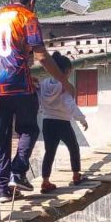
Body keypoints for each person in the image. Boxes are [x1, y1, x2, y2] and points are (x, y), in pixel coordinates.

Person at [0, 0, 75, 203]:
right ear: (31, 2)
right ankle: (18, 171)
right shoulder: (27, 16)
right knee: (29, 128)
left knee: (1, 135)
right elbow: (41, 56)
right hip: (17, 82)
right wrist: (64, 81)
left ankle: (3, 188)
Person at [38, 52, 89, 193]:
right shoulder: (64, 87)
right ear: (65, 71)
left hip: (47, 122)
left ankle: (45, 181)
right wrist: (82, 119)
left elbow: (38, 96)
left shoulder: (44, 84)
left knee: (49, 152)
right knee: (73, 147)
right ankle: (76, 175)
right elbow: (70, 105)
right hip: (63, 122)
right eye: (69, 72)